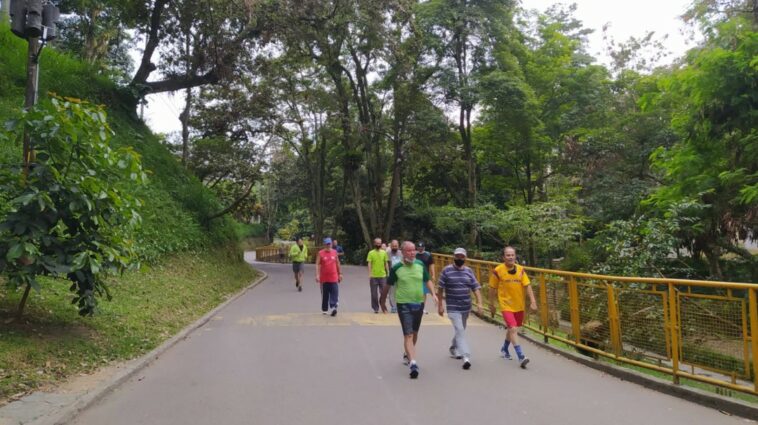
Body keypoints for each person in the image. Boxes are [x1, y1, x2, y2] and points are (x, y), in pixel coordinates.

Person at [381, 241, 437, 379]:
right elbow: (388, 285)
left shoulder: (419, 265)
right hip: (403, 304)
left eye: (414, 251)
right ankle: (413, 363)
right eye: (409, 251)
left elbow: (427, 280)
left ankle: (408, 354)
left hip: (418, 303)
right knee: (408, 335)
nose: (412, 253)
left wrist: (434, 294)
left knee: (415, 333)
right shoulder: (397, 268)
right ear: (403, 252)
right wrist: (382, 301)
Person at [488, 246, 538, 368]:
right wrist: (491, 304)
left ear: (515, 256)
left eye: (512, 255)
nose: (510, 257)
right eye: (508, 255)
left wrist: (533, 301)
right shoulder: (498, 270)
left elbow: (527, 285)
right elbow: (492, 288)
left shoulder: (521, 270)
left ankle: (504, 349)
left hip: (519, 305)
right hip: (506, 305)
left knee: (513, 329)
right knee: (513, 328)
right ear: (503, 257)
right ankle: (521, 356)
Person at [437, 247, 483, 370]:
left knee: (460, 330)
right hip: (452, 307)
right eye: (457, 256)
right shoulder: (446, 271)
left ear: (465, 258)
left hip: (465, 306)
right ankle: (466, 356)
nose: (459, 259)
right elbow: (440, 289)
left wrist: (479, 303)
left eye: (462, 257)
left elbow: (476, 288)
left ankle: (453, 347)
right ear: (454, 257)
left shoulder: (469, 271)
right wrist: (440, 305)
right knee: (460, 330)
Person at [316, 237, 342, 316]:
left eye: (329, 244)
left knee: (334, 292)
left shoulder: (335, 252)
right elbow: (317, 264)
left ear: (331, 244)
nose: (328, 245)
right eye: (327, 244)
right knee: (325, 294)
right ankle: (325, 309)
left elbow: (338, 263)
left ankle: (333, 307)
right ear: (324, 244)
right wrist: (317, 275)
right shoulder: (320, 253)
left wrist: (340, 273)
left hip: (334, 276)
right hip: (324, 277)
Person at [366, 237, 389, 313]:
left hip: (383, 276)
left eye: (380, 243)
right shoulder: (371, 253)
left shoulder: (384, 253)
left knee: (383, 293)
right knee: (374, 294)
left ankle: (382, 304)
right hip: (374, 276)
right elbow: (369, 263)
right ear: (374, 243)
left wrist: (388, 272)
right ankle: (375, 308)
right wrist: (369, 274)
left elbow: (386, 263)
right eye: (377, 243)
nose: (379, 244)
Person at [415, 242, 435, 314]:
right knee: (417, 292)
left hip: (425, 276)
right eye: (419, 247)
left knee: (424, 293)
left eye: (421, 248)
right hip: (416, 276)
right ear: (417, 248)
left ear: (424, 248)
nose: (420, 249)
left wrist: (433, 275)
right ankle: (417, 306)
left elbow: (431, 265)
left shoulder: (428, 255)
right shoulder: (415, 255)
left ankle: (422, 308)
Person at [385, 240, 402, 313]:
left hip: (400, 274)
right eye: (393, 246)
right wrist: (388, 273)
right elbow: (386, 263)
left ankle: (399, 305)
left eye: (396, 246)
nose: (395, 247)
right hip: (391, 274)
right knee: (392, 291)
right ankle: (393, 306)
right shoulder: (388, 253)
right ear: (391, 246)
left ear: (398, 246)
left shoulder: (401, 253)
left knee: (400, 291)